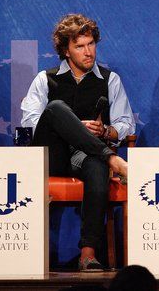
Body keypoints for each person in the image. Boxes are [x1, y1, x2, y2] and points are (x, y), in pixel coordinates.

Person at [20, 14, 134, 272]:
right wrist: (69, 126)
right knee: (56, 109)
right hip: (53, 155)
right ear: (66, 50)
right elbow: (30, 124)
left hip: (87, 154)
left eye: (91, 44)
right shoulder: (45, 79)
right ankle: (113, 159)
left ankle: (87, 253)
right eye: (80, 46)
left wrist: (106, 130)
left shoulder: (109, 80)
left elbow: (126, 124)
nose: (88, 51)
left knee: (97, 167)